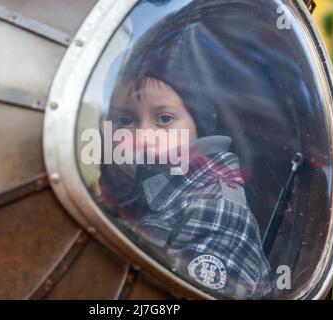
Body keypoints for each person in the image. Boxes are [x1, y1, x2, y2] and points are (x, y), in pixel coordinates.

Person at [97, 2, 273, 299]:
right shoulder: (137, 188)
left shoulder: (215, 207)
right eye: (125, 120)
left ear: (198, 127)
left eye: (164, 119)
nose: (142, 136)